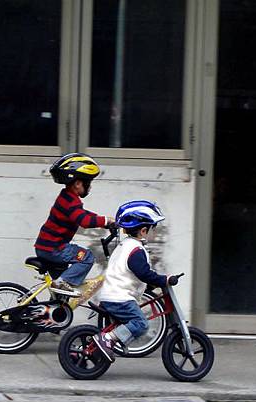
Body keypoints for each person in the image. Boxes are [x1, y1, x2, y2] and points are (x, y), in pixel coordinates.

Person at [93, 200, 181, 363]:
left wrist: (153, 282)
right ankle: (108, 339)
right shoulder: (136, 250)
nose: (154, 233)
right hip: (120, 298)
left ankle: (110, 341)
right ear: (143, 230)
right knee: (141, 324)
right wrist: (164, 279)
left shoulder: (124, 245)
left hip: (112, 295)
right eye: (153, 229)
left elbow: (131, 273)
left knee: (134, 322)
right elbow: (143, 273)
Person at [35, 153, 115, 297]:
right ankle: (61, 282)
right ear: (78, 183)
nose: (89, 187)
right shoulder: (71, 201)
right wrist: (105, 221)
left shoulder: (67, 197)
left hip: (46, 247)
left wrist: (104, 222)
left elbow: (82, 214)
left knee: (61, 294)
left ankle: (51, 314)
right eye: (88, 182)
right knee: (87, 257)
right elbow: (84, 221)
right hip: (54, 248)